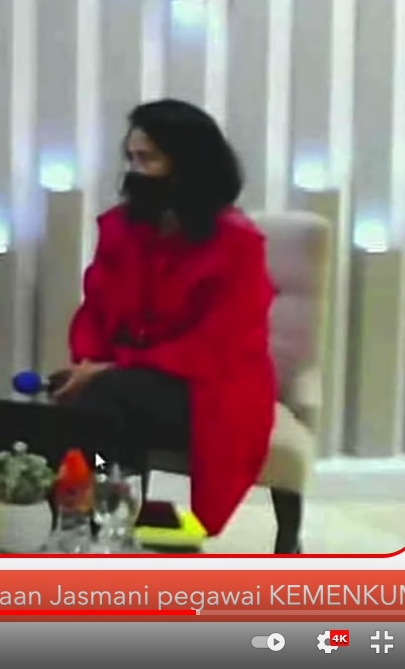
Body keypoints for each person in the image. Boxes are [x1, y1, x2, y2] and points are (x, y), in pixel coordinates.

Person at [52, 98, 275, 537]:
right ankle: (107, 506)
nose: (135, 171)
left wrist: (110, 370)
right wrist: (89, 362)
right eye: (131, 158)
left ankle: (105, 512)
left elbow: (216, 344)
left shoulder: (238, 245)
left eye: (148, 159)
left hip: (210, 385)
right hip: (125, 375)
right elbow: (95, 310)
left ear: (187, 165)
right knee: (68, 393)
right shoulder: (122, 229)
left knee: (106, 396)